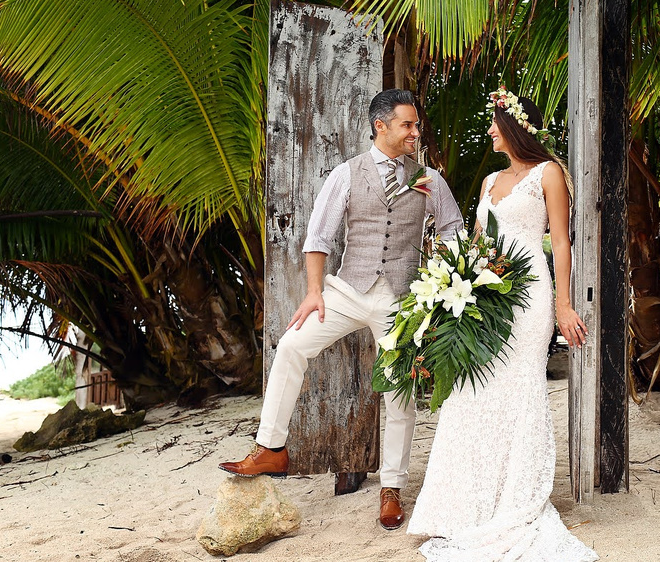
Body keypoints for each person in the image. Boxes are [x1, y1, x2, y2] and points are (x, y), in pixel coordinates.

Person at [218, 89, 464, 531]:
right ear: (381, 126)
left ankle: (392, 487)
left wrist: (441, 279)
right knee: (291, 345)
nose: (415, 132)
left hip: (402, 298)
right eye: (407, 125)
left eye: (416, 125)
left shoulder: (429, 179)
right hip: (349, 290)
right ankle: (271, 447)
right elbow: (319, 237)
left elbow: (453, 229)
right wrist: (315, 291)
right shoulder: (347, 174)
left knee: (398, 391)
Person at [406, 88, 598, 560]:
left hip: (529, 297)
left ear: (514, 127)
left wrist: (562, 306)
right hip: (487, 297)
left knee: (519, 390)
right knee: (473, 392)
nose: (490, 130)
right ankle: (467, 502)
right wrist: (449, 287)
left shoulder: (549, 173)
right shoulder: (491, 179)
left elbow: (560, 245)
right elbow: (475, 244)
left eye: (494, 123)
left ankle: (515, 497)